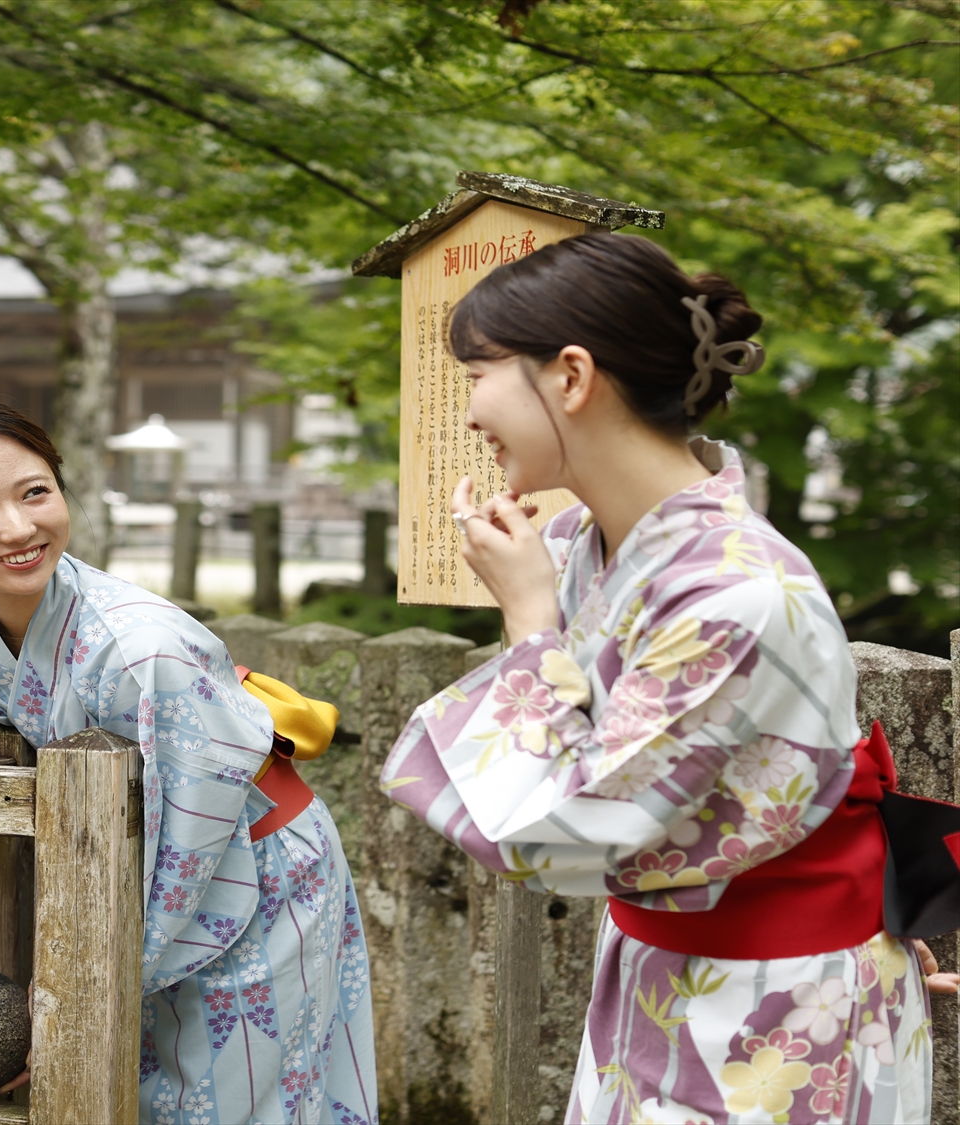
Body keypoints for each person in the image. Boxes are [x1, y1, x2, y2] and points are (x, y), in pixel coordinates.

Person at [381, 232, 957, 1124]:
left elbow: (560, 828)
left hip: (773, 990)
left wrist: (531, 624)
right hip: (670, 965)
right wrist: (536, 601)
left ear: (570, 376)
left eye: (477, 377)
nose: (467, 415)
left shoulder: (735, 590)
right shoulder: (582, 545)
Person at [0, 399, 378, 1124]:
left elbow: (190, 839)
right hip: (115, 878)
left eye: (35, 492)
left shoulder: (143, 647)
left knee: (230, 1103)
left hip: (244, 868)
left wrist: (81, 992)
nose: (19, 527)